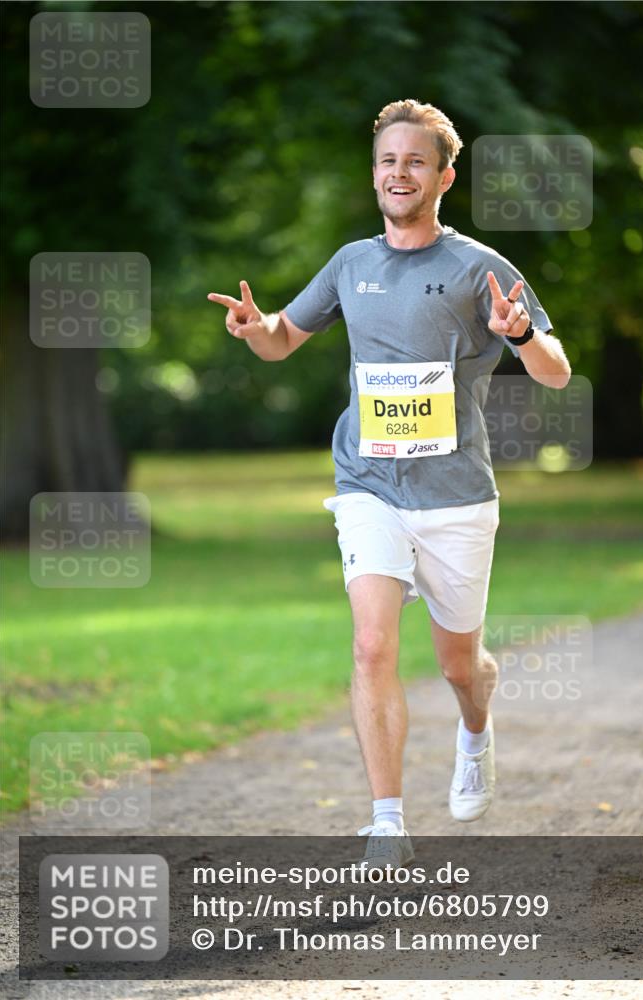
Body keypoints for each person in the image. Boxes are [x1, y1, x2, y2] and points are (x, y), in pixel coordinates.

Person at [208, 99, 571, 869]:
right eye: (385, 160)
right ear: (373, 173)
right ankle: (385, 825)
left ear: (443, 174)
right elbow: (282, 342)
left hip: (455, 497)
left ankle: (475, 725)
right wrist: (255, 327)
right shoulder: (350, 263)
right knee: (372, 644)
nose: (396, 173)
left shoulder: (480, 268)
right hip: (368, 485)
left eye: (413, 161)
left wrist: (520, 334)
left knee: (455, 665)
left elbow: (555, 369)